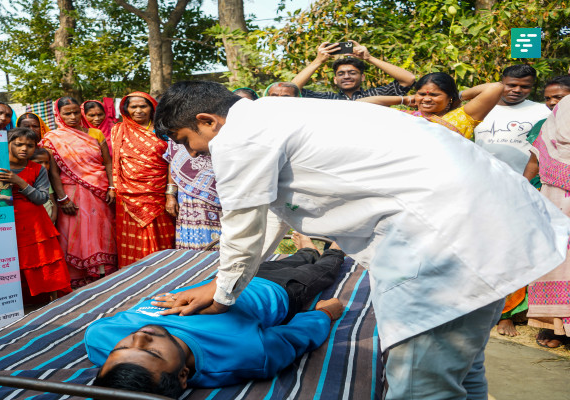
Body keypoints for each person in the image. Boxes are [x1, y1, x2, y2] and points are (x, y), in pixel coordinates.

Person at [152, 81, 570, 400]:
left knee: (420, 383)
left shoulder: (239, 135)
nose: (196, 156)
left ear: (207, 121)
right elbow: (267, 215)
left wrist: (224, 295)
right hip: (480, 224)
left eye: (189, 143)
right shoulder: (277, 113)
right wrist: (224, 285)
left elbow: (243, 224)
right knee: (461, 366)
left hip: (444, 238)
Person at [87, 234, 345, 398]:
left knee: (285, 261)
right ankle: (336, 248)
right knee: (324, 269)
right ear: (183, 376)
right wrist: (324, 313)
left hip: (224, 280)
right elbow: (294, 337)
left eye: (121, 347)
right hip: (278, 291)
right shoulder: (246, 354)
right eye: (153, 352)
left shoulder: (99, 339)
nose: (140, 337)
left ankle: (307, 250)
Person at [40, 97, 117, 287]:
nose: (73, 116)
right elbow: (54, 172)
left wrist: (112, 186)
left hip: (98, 191)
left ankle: (102, 272)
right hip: (70, 193)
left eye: (76, 112)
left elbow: (107, 162)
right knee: (74, 233)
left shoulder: (95, 134)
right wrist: (62, 198)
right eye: (67, 113)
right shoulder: (52, 139)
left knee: (101, 230)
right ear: (59, 115)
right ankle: (77, 277)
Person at [0, 127, 70, 302]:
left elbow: (41, 198)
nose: (24, 149)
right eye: (18, 144)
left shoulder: (37, 169)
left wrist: (18, 181)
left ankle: (51, 300)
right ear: (7, 144)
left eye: (29, 145)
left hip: (35, 224)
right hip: (5, 222)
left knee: (43, 260)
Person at [526, 96, 570, 348]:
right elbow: (536, 156)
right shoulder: (564, 107)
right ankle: (556, 327)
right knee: (559, 259)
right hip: (557, 197)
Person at [111, 92, 174, 267]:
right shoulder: (118, 130)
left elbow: (172, 162)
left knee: (162, 237)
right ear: (126, 109)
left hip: (158, 193)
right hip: (128, 195)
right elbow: (115, 162)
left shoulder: (163, 130)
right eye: (133, 107)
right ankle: (133, 277)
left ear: (152, 107)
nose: (138, 111)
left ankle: (163, 273)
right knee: (133, 241)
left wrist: (170, 193)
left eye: (143, 106)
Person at [359, 72, 503, 140]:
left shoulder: (463, 117)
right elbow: (360, 104)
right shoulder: (404, 114)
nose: (426, 99)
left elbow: (496, 87)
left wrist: (458, 96)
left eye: (434, 95)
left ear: (449, 96)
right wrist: (404, 100)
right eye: (421, 94)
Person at [473, 64, 550, 173]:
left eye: (525, 87)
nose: (517, 90)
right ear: (500, 84)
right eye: (511, 85)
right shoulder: (480, 109)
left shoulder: (544, 111)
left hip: (523, 181)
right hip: (483, 175)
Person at [291, 41, 416, 100]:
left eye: (352, 73)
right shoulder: (328, 98)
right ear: (335, 79)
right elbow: (292, 89)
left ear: (362, 77)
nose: (346, 76)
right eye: (341, 73)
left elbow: (408, 80)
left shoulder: (375, 94)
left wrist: (369, 58)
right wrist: (317, 61)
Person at [163, 139, 221, 250]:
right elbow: (173, 162)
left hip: (219, 195)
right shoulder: (177, 129)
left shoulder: (219, 128)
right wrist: (170, 195)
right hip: (186, 199)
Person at [33, 147, 58, 224]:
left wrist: (53, 218)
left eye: (46, 163)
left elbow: (52, 202)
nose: (44, 166)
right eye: (39, 162)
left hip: (49, 222)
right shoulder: (25, 181)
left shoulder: (45, 180)